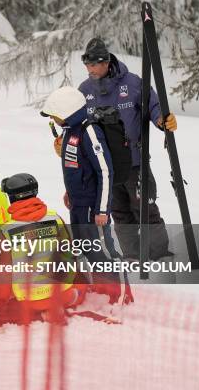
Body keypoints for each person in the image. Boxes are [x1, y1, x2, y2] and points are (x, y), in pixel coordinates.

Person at [78, 37, 176, 261]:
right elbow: (76, 122)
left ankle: (160, 256)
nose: (90, 69)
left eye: (94, 64)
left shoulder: (131, 83)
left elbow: (153, 104)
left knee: (145, 209)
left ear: (106, 62)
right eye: (87, 65)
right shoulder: (84, 90)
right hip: (106, 167)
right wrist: (66, 142)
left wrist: (162, 119)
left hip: (135, 162)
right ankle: (132, 255)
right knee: (120, 213)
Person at [41, 86, 131, 304]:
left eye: (55, 115)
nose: (53, 119)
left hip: (93, 206)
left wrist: (102, 209)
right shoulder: (69, 131)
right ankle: (101, 288)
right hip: (78, 204)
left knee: (103, 251)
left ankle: (119, 295)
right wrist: (70, 191)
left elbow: (105, 171)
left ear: (67, 112)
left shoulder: (89, 131)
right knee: (84, 247)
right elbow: (77, 166)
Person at [0, 173, 86, 326]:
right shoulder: (55, 219)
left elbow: (4, 275)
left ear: (12, 197)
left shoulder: (6, 230)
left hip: (29, 301)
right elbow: (71, 256)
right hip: (63, 295)